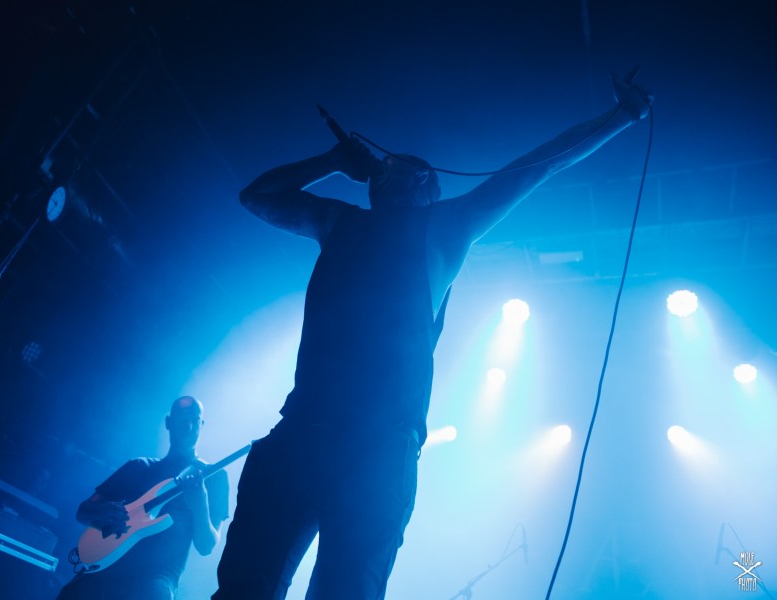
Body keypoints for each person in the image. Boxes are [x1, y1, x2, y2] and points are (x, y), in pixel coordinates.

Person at [213, 72, 652, 600]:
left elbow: (535, 167)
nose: (381, 166)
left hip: (378, 444)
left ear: (424, 182)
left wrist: (620, 117)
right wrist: (331, 161)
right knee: (242, 589)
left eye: (396, 164)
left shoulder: (444, 226)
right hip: (304, 428)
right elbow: (256, 196)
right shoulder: (339, 221)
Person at [58, 396, 229, 600]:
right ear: (168, 422)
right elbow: (83, 511)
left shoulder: (214, 477)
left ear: (202, 425)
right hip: (107, 563)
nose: (188, 425)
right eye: (182, 419)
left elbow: (206, 546)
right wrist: (101, 512)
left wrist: (200, 504)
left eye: (194, 419)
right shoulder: (139, 466)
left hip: (155, 578)